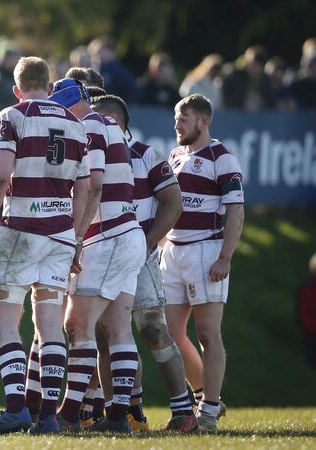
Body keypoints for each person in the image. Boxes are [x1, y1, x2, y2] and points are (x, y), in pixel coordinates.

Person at [0, 58, 91, 435]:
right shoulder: (76, 123)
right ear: (50, 84)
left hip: (21, 230)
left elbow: (4, 174)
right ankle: (49, 416)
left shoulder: (13, 115)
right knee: (49, 324)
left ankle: (15, 408)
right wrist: (76, 238)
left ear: (17, 86)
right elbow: (85, 187)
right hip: (58, 236)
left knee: (4, 321)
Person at [91, 94, 200, 433]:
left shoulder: (145, 154)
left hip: (137, 257)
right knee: (103, 336)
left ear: (114, 120)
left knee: (153, 329)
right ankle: (122, 413)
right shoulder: (88, 153)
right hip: (98, 256)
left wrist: (148, 241)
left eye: (96, 118)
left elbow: (173, 203)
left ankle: (183, 411)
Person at [50, 77, 145, 433]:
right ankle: (118, 414)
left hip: (107, 236)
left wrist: (75, 237)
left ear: (68, 104)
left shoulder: (86, 125)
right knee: (118, 327)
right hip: (127, 232)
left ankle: (72, 411)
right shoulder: (108, 123)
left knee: (78, 324)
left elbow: (96, 184)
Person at [163, 94, 244, 433]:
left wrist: (225, 256)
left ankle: (208, 412)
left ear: (203, 121)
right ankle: (204, 396)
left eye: (184, 118)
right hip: (172, 250)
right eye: (176, 117)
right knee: (167, 334)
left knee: (208, 334)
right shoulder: (175, 154)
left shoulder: (221, 157)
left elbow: (236, 210)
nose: (177, 124)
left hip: (205, 251)